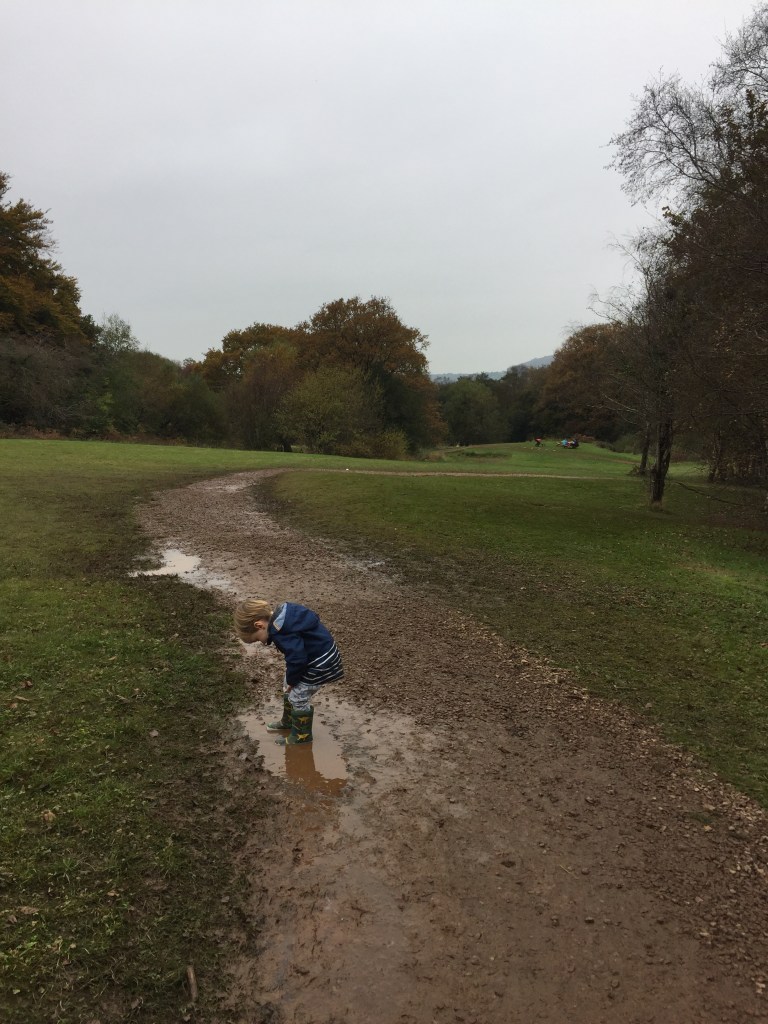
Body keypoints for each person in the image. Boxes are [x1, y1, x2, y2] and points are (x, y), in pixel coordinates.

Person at [233, 598, 344, 745]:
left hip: (320, 663)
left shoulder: (280, 631)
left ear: (259, 625)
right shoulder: (284, 615)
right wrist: (290, 680)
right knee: (287, 682)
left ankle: (301, 736)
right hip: (320, 655)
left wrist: (293, 681)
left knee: (298, 694)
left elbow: (298, 660)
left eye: (257, 639)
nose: (261, 643)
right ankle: (289, 720)